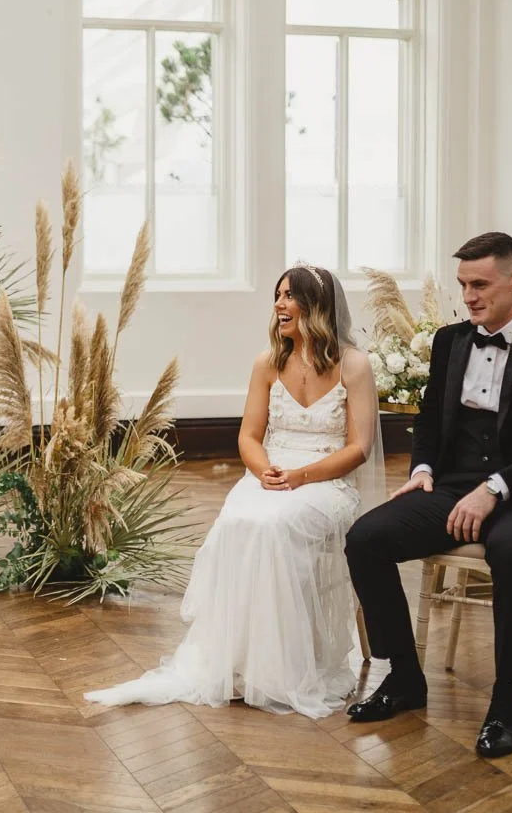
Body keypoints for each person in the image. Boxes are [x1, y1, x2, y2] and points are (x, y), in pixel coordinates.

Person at [85, 264, 384, 715]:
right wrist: (265, 471)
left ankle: (285, 666)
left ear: (317, 306)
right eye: (277, 295)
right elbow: (248, 436)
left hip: (327, 480)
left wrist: (301, 477)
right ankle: (240, 660)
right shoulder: (268, 362)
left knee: (276, 526)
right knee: (241, 520)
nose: (279, 305)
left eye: (289, 296)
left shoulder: (354, 364)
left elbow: (360, 447)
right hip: (270, 472)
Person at [345, 231, 512, 757]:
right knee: (366, 538)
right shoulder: (450, 341)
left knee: (510, 549)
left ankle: (507, 703)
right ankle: (405, 679)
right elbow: (432, 420)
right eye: (463, 285)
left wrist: (497, 488)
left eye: (480, 284)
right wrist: (423, 468)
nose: (469, 296)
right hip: (454, 486)